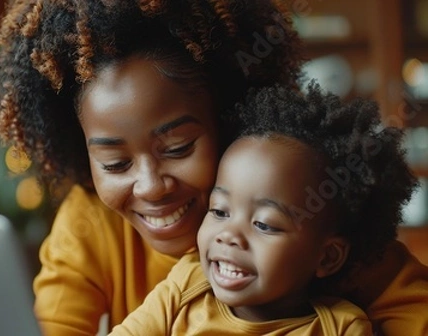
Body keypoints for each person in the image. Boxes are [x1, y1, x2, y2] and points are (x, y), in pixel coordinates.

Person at [0, 1, 428, 335]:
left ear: (228, 118)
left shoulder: (306, 203)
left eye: (177, 148)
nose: (151, 186)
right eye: (116, 162)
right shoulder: (89, 224)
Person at [109, 83, 418, 335]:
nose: (229, 235)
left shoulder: (342, 326)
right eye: (219, 211)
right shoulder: (187, 285)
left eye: (265, 225)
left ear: (327, 256)